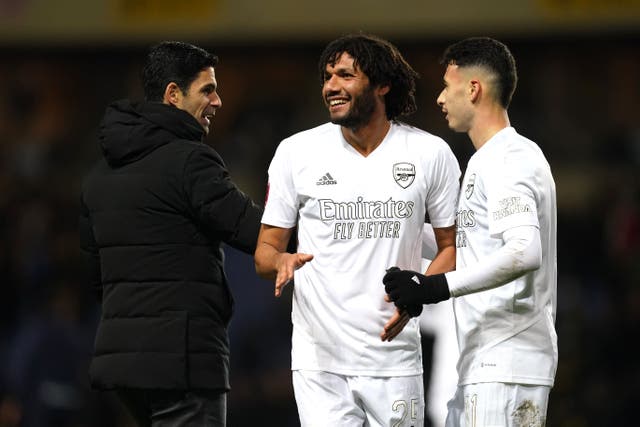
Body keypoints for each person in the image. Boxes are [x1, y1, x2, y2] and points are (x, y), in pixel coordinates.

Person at [254, 34, 461, 427]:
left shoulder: (430, 154)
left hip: (395, 357)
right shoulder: (295, 153)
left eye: (346, 75)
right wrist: (278, 259)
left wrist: (419, 293)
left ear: (382, 84)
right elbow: (265, 254)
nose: (331, 86)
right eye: (327, 77)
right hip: (320, 364)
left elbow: (452, 248)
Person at [79, 41, 263, 427]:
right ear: (173, 95)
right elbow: (251, 231)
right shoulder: (191, 160)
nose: (218, 102)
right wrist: (328, 229)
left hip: (122, 366)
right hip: (182, 364)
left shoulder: (98, 176)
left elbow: (95, 275)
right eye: (207, 90)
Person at [383, 37, 558, 427]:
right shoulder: (490, 159)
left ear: (474, 89)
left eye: (447, 86)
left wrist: (433, 288)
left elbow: (524, 251)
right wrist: (391, 223)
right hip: (485, 361)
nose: (441, 99)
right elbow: (470, 244)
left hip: (507, 361)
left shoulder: (509, 158)